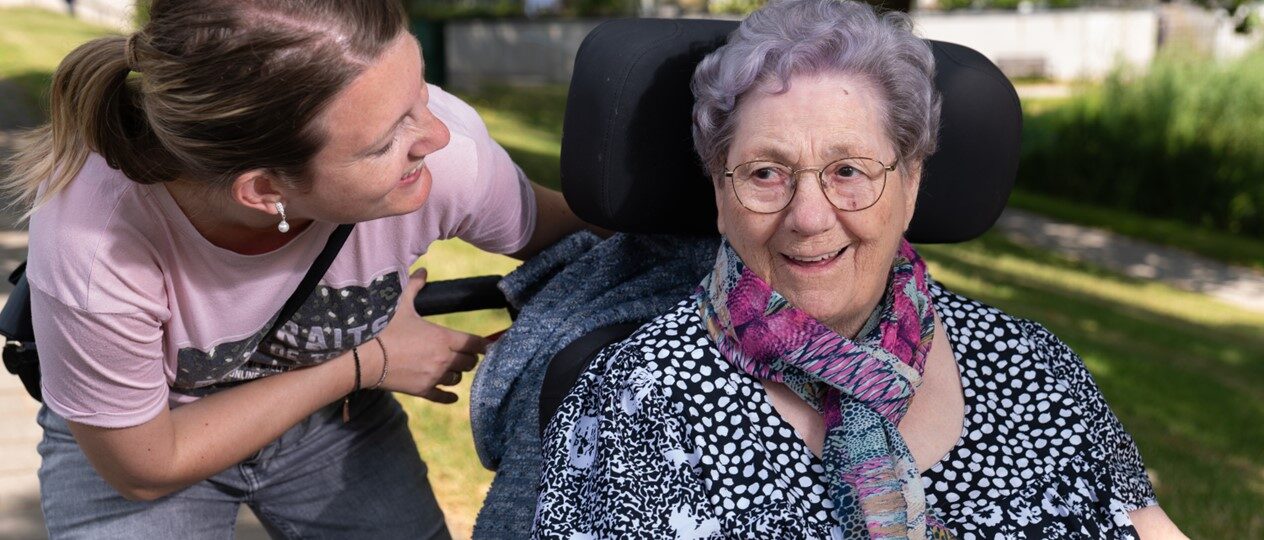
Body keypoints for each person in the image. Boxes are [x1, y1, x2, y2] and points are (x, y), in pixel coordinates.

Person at [533, 1, 1187, 538]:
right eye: (766, 174)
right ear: (719, 195)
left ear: (910, 183)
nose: (810, 217)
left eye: (849, 171)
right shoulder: (638, 399)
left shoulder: (1031, 364)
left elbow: (1143, 523)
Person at [2, 0, 584, 537]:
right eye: (385, 142)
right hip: (150, 431)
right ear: (263, 189)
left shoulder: (442, 157)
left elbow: (594, 242)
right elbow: (143, 468)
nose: (433, 136)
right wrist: (369, 360)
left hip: (332, 425)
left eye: (421, 93)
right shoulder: (95, 249)